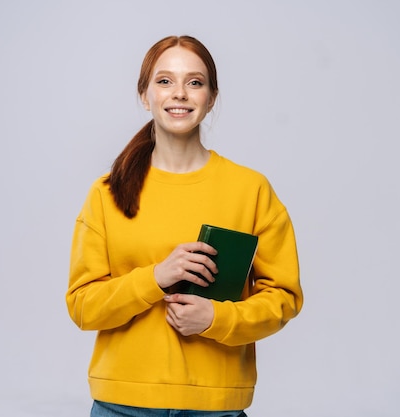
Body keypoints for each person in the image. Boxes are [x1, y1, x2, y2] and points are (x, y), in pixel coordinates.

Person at [66, 35, 303, 417]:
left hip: (216, 406)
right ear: (145, 95)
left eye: (194, 82)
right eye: (164, 81)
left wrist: (216, 319)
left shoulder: (250, 189)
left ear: (211, 98)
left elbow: (284, 297)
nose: (180, 93)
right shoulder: (107, 192)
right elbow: (82, 306)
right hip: (123, 405)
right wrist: (155, 278)